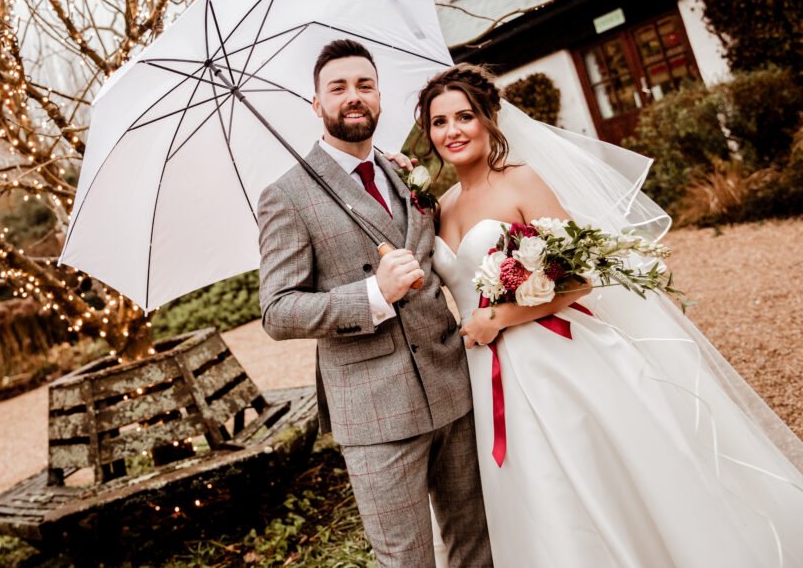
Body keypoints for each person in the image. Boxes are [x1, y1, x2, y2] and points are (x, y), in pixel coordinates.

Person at [418, 64, 803, 567]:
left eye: (464, 116)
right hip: (487, 378)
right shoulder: (438, 208)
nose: (453, 131)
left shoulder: (522, 181)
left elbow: (581, 277)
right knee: (534, 493)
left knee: (599, 478)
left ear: (490, 119)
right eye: (439, 122)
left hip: (554, 360)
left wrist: (502, 318)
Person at [257, 39, 493, 566]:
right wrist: (371, 295)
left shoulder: (400, 170)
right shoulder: (286, 196)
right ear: (315, 104)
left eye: (365, 85)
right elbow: (275, 310)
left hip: (452, 388)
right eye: (337, 88)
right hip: (375, 415)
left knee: (477, 546)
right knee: (406, 560)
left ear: (379, 95)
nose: (353, 96)